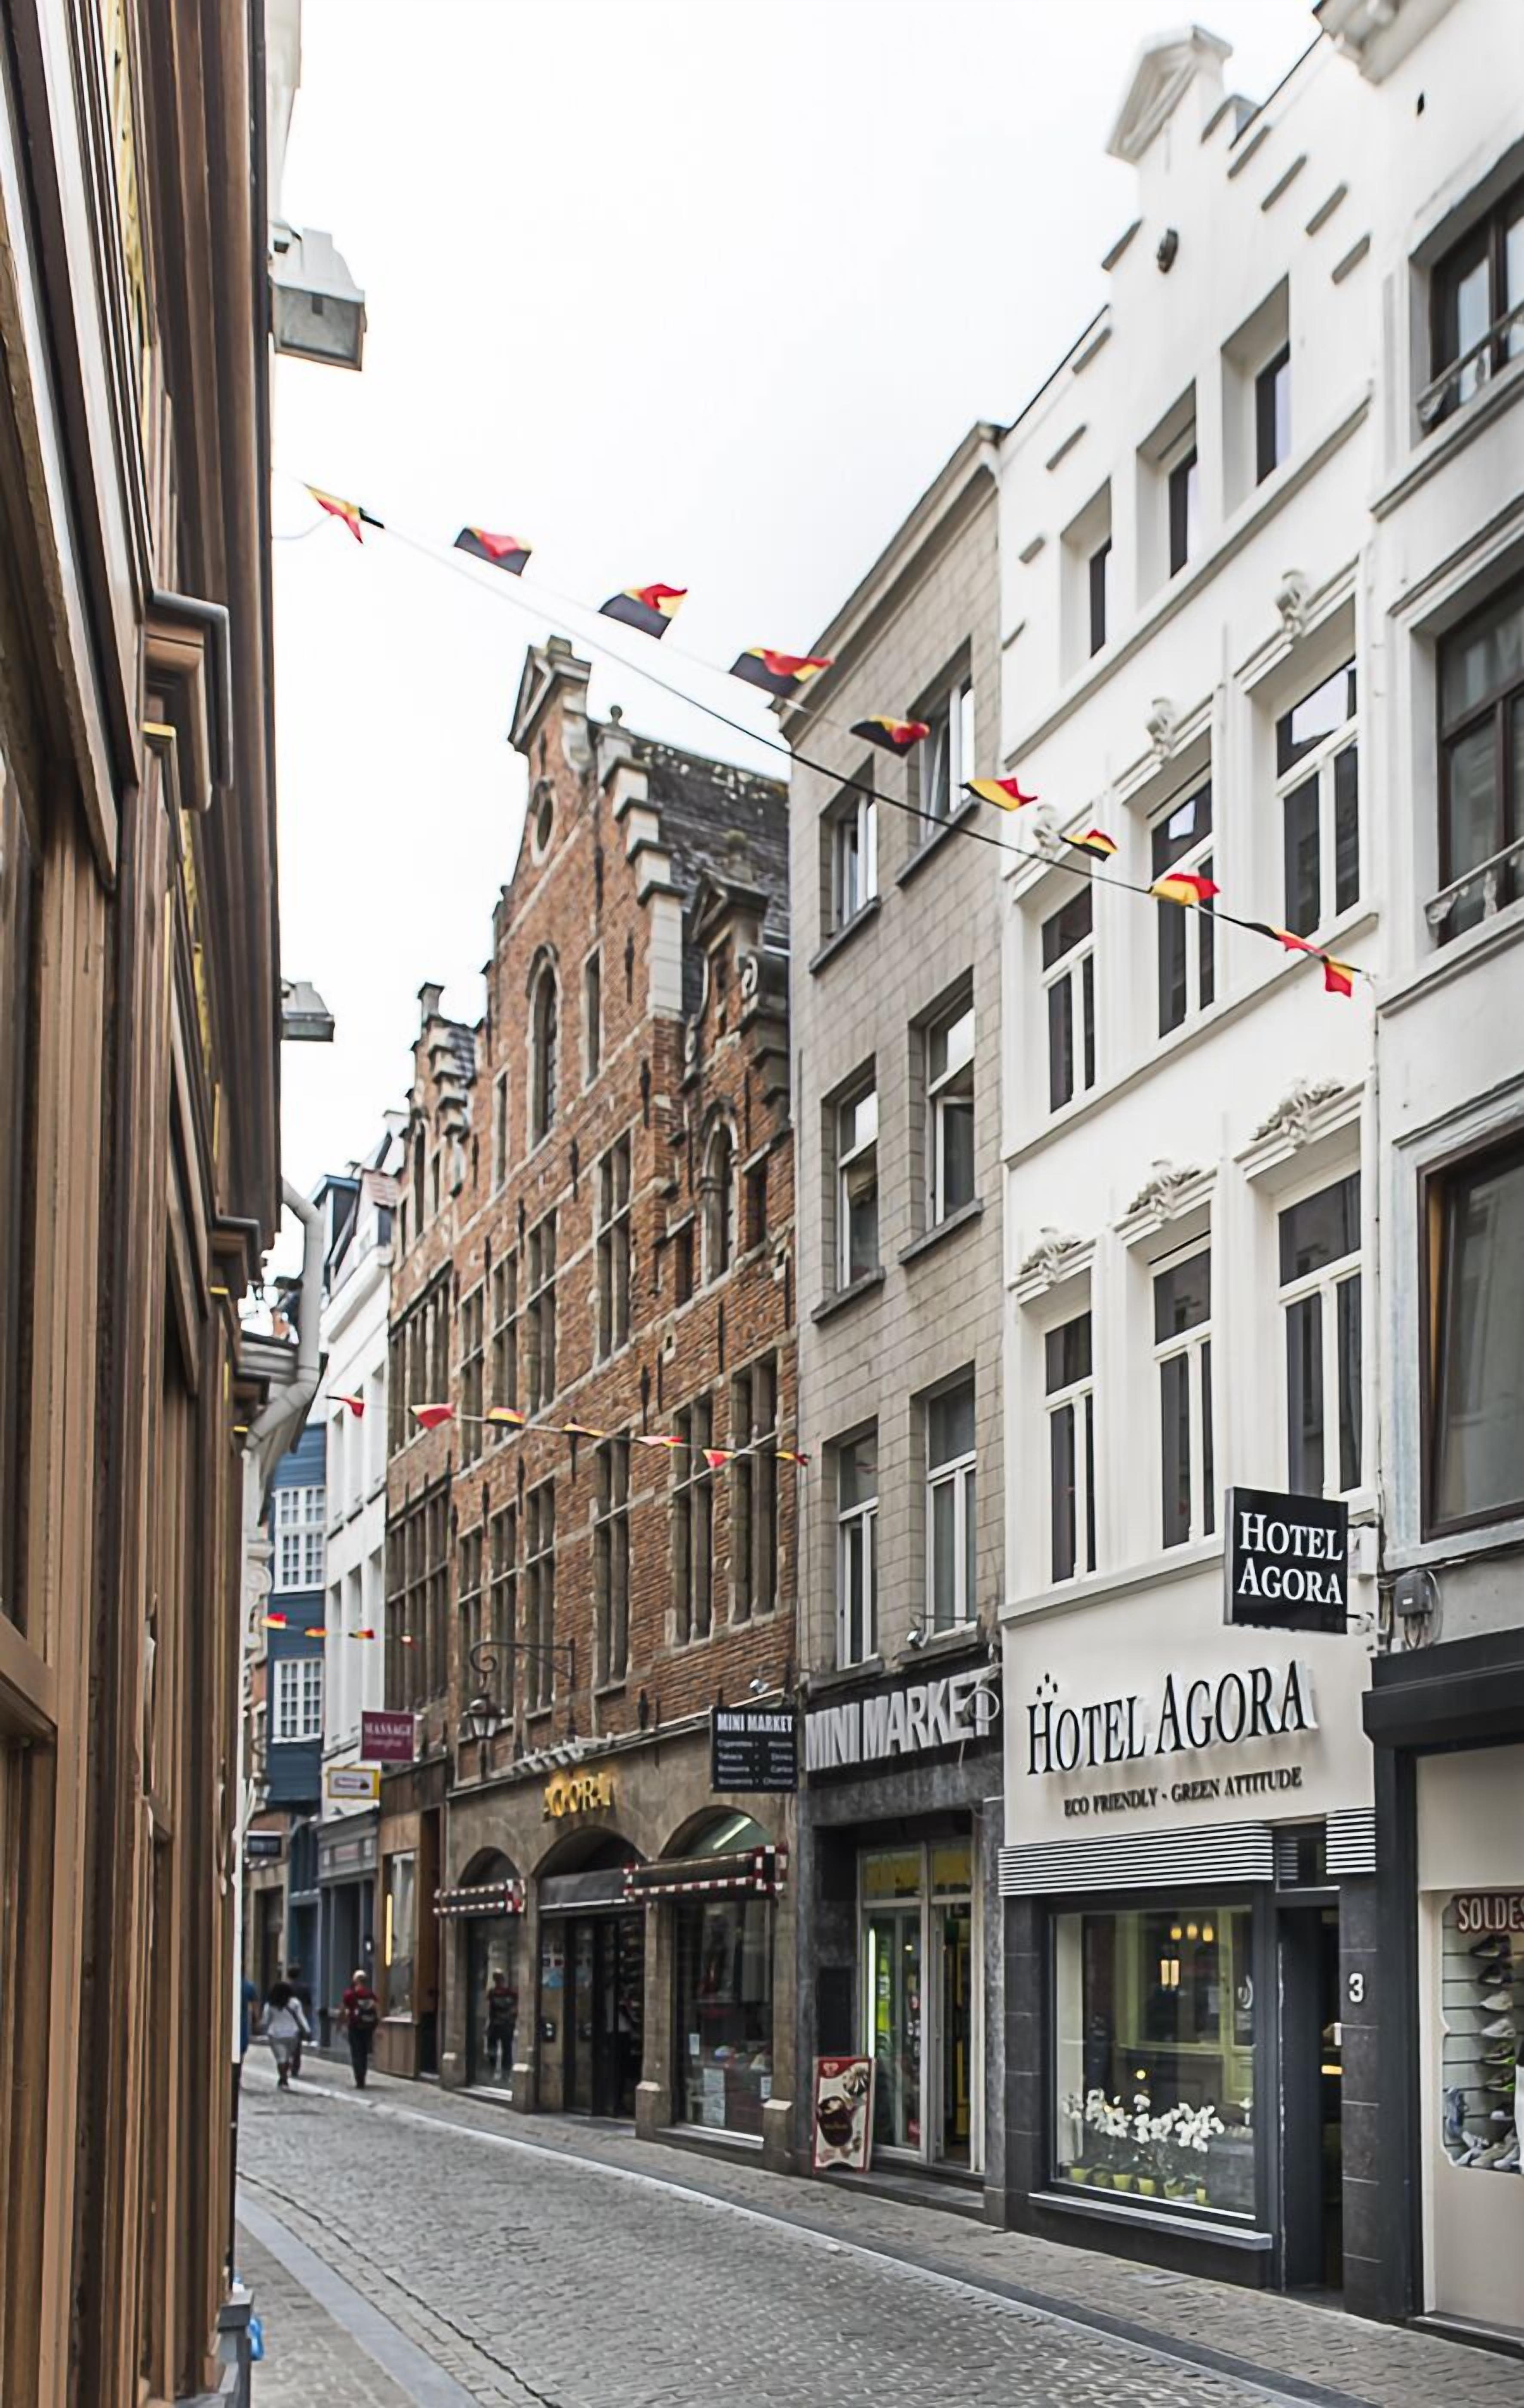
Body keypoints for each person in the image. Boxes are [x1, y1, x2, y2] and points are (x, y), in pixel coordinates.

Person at [262, 1978, 310, 2091]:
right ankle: (284, 2079)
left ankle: (283, 2079)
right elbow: (301, 2017)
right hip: (293, 2034)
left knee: (281, 2058)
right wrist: (307, 2030)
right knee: (287, 2057)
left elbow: (265, 2020)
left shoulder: (270, 2004)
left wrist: (261, 2027)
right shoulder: (295, 2003)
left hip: (276, 2034)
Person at [340, 1966, 379, 2089]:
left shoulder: (350, 1994)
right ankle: (363, 2074)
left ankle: (359, 2078)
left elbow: (344, 2010)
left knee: (356, 2052)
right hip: (368, 2027)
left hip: (355, 2025)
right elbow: (377, 2008)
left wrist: (341, 2023)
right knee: (364, 2052)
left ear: (355, 1980)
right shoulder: (370, 1994)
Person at [484, 1970, 517, 2083]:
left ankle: (505, 2075)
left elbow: (515, 2010)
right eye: (497, 1978)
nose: (498, 1981)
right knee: (493, 2050)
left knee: (506, 2051)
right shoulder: (492, 1993)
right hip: (496, 2025)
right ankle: (494, 2072)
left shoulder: (511, 1993)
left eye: (499, 1978)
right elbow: (489, 2010)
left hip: (505, 2026)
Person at [283, 1962, 313, 2078]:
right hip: (298, 2020)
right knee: (297, 2046)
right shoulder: (304, 1989)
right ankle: (295, 2067)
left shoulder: (284, 1988)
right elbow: (307, 2007)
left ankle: (286, 2064)